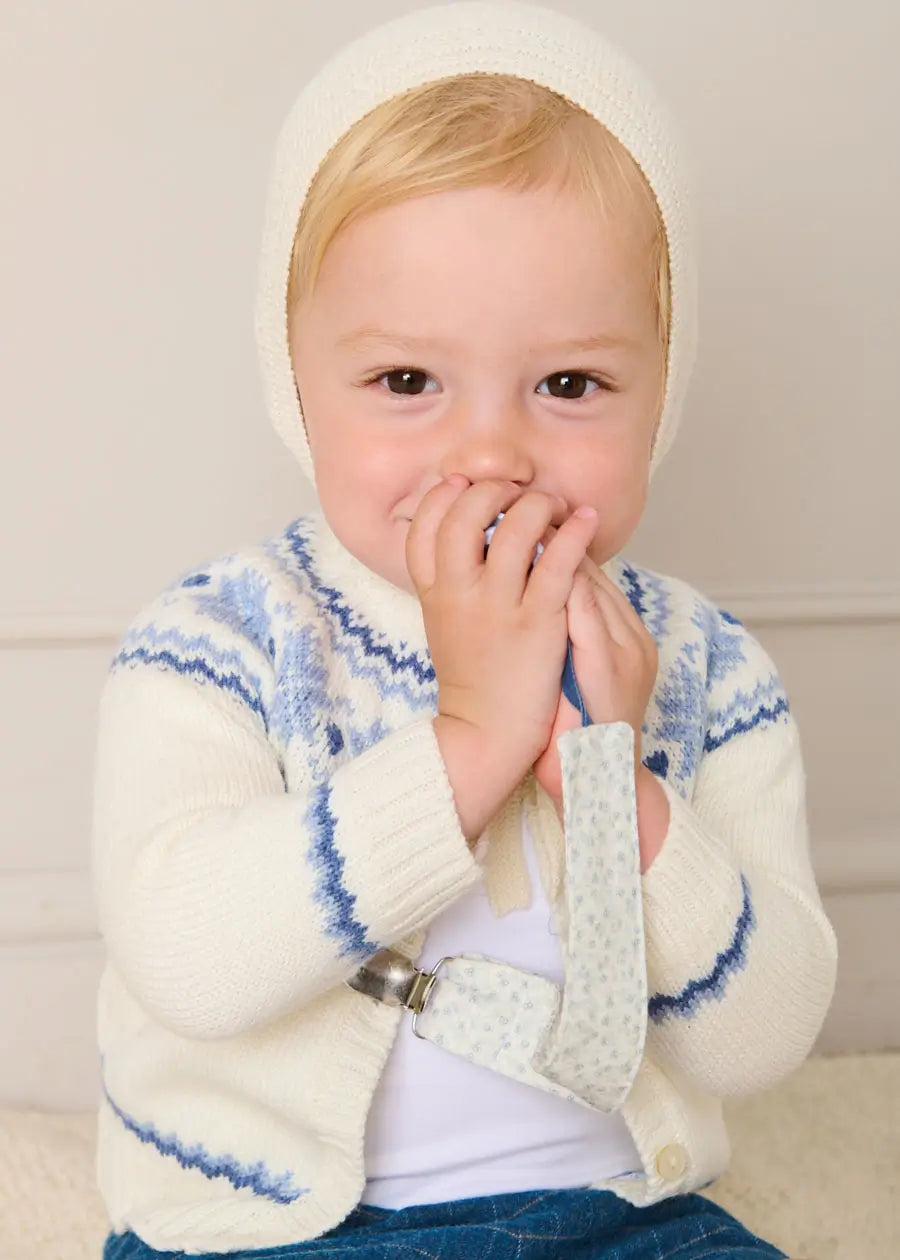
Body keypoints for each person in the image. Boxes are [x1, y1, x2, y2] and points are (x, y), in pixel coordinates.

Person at [92, 3, 836, 1257]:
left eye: (569, 385)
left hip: (616, 1217)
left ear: (661, 387)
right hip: (273, 1227)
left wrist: (620, 782)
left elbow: (759, 1036)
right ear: (297, 379)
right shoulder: (220, 644)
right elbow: (188, 957)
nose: (489, 451)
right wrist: (472, 741)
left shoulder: (704, 667)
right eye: (405, 383)